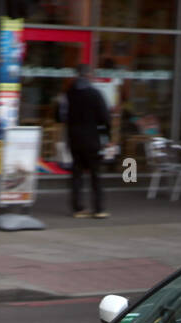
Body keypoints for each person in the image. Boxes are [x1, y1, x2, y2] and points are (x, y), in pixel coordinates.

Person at [59, 63, 111, 219]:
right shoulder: (95, 94)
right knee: (96, 175)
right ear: (89, 75)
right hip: (92, 140)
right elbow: (105, 118)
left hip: (74, 139)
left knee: (77, 175)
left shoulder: (68, 94)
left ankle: (78, 209)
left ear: (76, 75)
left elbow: (60, 115)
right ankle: (98, 209)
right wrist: (107, 137)